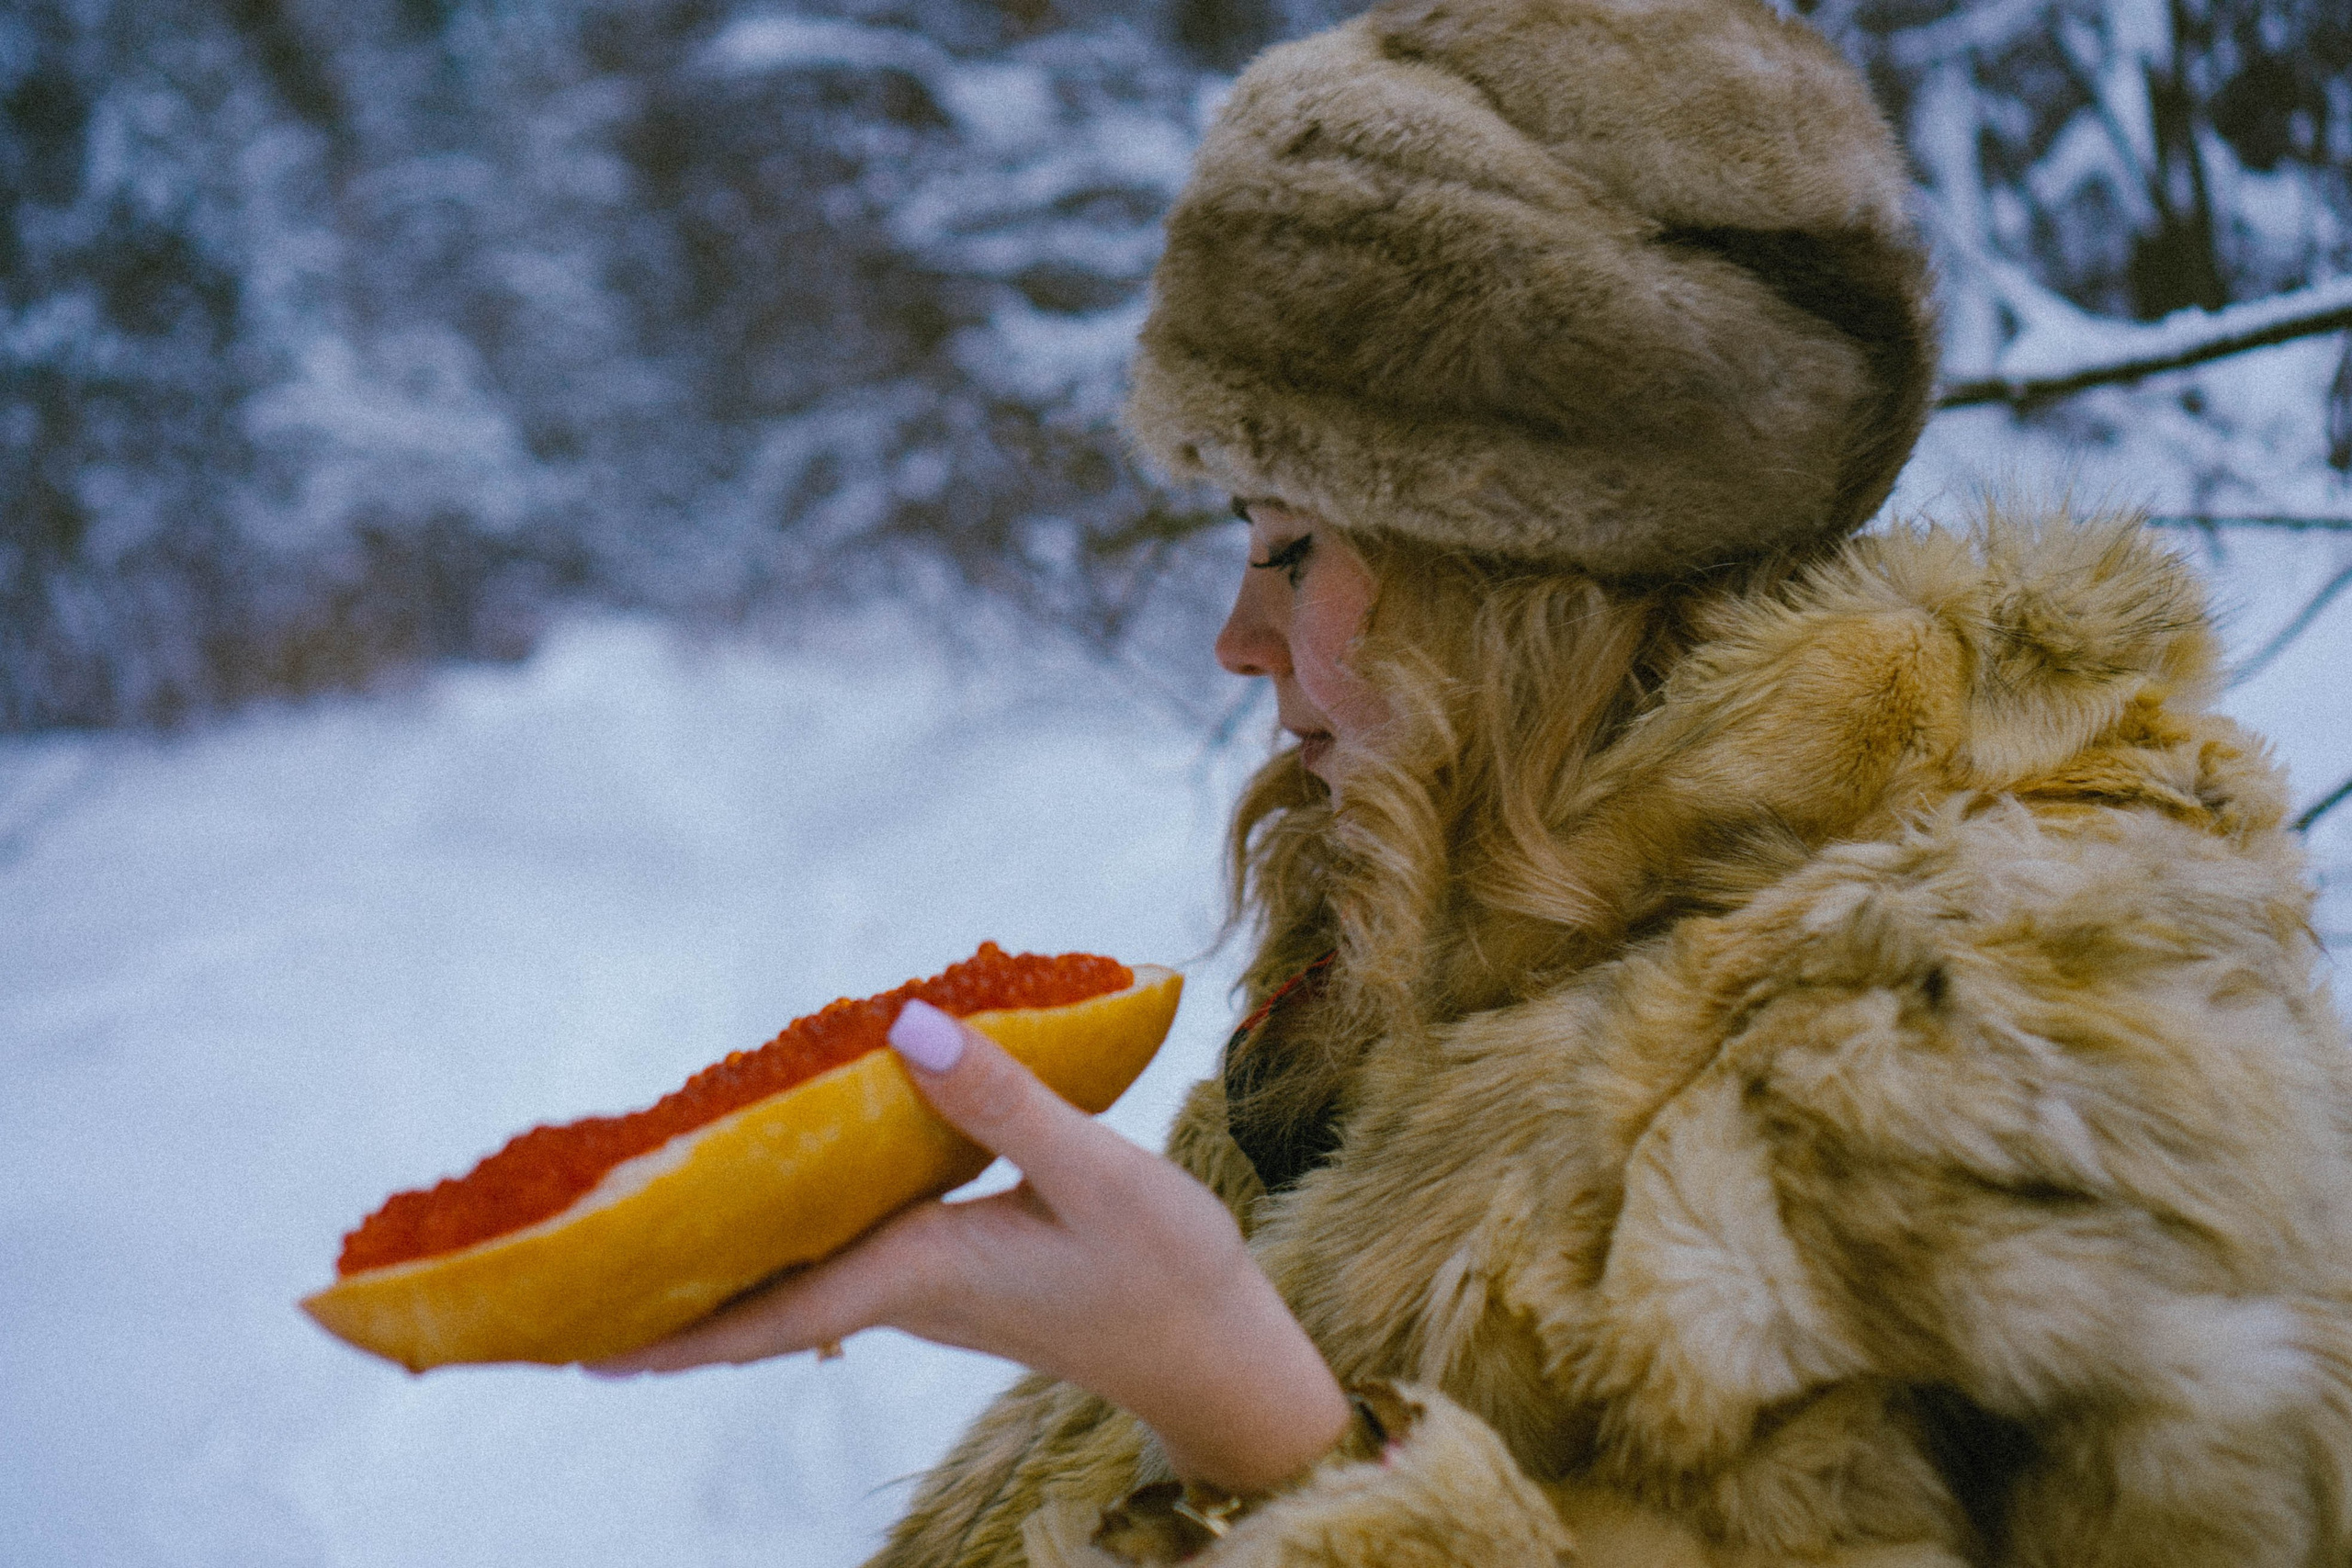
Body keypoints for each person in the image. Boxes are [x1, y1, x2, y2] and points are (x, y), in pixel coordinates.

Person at [593, 0, 2352, 1562]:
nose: (1235, 638)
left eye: (1291, 546)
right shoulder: (1477, 942)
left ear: (1523, 572)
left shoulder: (1991, 1057)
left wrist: (1255, 1435)